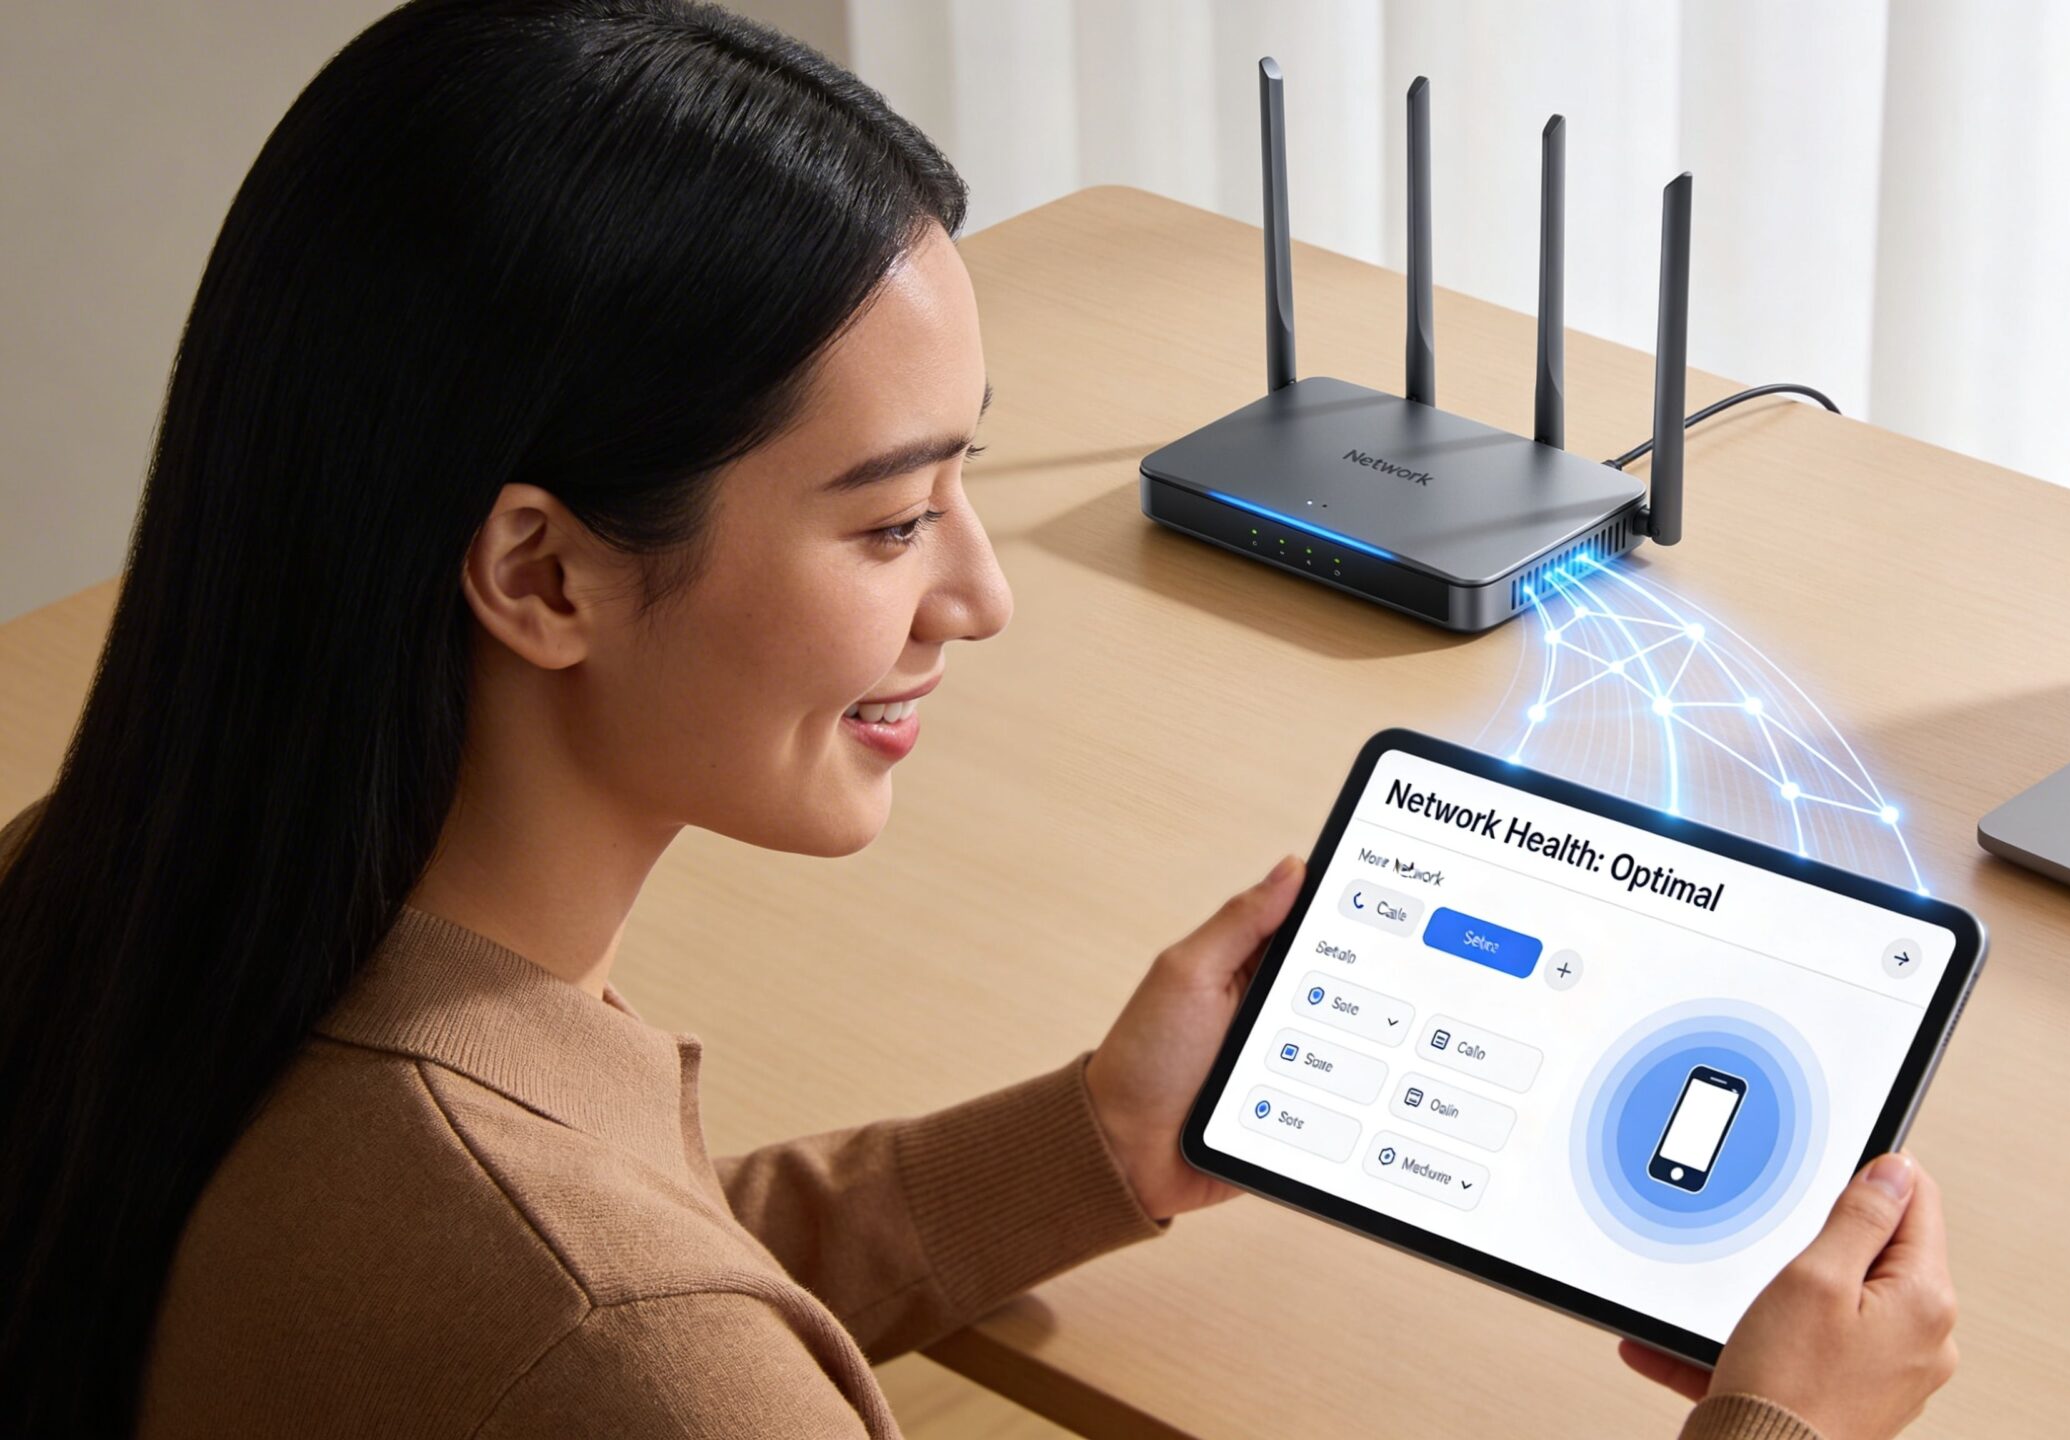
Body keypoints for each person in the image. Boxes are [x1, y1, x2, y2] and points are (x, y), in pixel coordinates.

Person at [0, 3, 1957, 1435]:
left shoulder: (105, 901)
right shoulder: (612, 1341)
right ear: (543, 577)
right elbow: (604, 1331)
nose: (976, 593)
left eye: (963, 486)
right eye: (885, 516)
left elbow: (515, 1312)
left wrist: (1089, 1144)